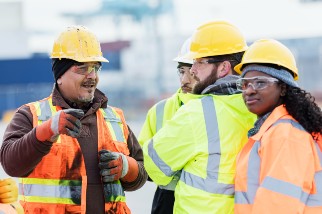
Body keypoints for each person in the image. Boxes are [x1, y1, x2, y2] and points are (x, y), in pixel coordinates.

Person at [0, 25, 148, 214]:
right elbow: (11, 164)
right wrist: (47, 131)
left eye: (95, 68)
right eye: (83, 69)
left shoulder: (114, 119)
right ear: (59, 75)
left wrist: (127, 167)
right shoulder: (31, 115)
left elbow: (142, 174)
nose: (92, 76)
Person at [142, 20, 256, 213]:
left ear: (223, 68)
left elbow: (153, 166)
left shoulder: (196, 112)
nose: (193, 70)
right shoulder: (258, 109)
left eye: (199, 62)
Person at [234, 38, 322, 213]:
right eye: (245, 84)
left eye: (260, 82)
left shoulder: (286, 134)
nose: (250, 90)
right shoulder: (271, 129)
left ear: (283, 88)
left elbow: (279, 205)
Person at [138, 37, 201, 214]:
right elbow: (142, 160)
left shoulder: (221, 109)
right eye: (181, 72)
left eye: (192, 72)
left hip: (205, 203)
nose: (185, 80)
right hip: (166, 200)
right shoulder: (159, 111)